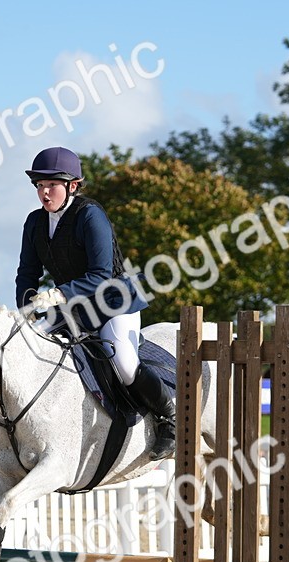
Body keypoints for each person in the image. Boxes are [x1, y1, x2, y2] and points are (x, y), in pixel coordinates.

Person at [14, 146, 173, 459]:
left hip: (115, 303)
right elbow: (27, 273)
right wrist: (25, 307)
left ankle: (168, 417)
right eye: (40, 186)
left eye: (52, 186)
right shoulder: (34, 223)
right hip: (74, 307)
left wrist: (58, 295)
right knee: (34, 349)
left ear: (72, 186)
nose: (45, 194)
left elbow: (100, 275)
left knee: (125, 364)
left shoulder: (90, 214)